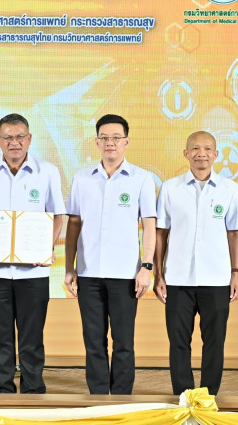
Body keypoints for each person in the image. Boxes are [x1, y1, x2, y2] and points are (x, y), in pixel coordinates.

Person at [0, 113, 65, 394]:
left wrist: (46, 247)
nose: (14, 142)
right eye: (8, 137)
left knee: (32, 338)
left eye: (20, 136)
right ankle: (2, 391)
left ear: (29, 139)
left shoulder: (48, 172)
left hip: (33, 272)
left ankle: (34, 392)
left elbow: (57, 215)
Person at [64, 114, 156, 394]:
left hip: (126, 273)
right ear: (97, 142)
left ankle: (121, 397)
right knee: (94, 341)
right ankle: (98, 396)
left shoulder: (142, 178)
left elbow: (149, 226)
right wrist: (69, 267)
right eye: (104, 138)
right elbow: (74, 224)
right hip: (89, 272)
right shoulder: (82, 178)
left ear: (127, 141)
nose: (110, 143)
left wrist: (147, 267)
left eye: (116, 137)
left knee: (123, 341)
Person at [153, 131, 238, 395]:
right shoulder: (170, 187)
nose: (201, 153)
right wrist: (159, 274)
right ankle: (183, 395)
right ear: (186, 153)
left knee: (214, 342)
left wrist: (235, 272)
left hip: (217, 279)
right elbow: (161, 233)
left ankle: (208, 396)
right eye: (194, 148)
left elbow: (235, 233)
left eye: (206, 149)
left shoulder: (229, 189)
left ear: (215, 154)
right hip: (177, 278)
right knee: (178, 342)